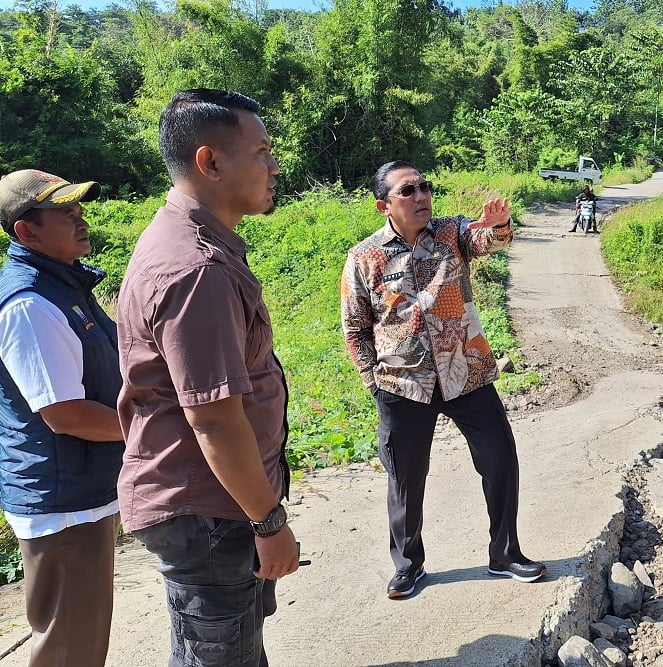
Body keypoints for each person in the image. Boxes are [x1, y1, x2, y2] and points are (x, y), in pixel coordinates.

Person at [117, 89, 299, 666]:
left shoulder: (190, 242)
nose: (274, 166)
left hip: (210, 507)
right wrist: (268, 521)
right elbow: (215, 418)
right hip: (210, 512)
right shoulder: (196, 269)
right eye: (262, 151)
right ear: (210, 162)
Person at [341, 160, 546, 599]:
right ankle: (408, 565)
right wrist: (371, 380)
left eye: (424, 187)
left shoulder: (451, 233)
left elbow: (488, 238)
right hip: (402, 383)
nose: (421, 196)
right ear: (384, 205)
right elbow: (355, 325)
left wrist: (501, 224)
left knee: (500, 460)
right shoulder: (365, 257)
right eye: (408, 191)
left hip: (465, 372)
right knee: (405, 478)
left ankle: (505, 554)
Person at [0, 169, 124, 667]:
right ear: (25, 231)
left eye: (79, 209)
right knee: (68, 647)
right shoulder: (30, 303)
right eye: (64, 213)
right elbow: (65, 414)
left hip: (79, 490)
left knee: (78, 638)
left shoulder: (63, 285)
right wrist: (159, 428)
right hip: (63, 501)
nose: (80, 220)